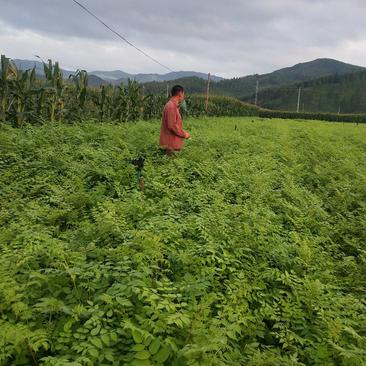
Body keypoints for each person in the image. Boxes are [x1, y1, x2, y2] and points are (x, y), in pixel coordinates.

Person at [159, 85, 190, 155]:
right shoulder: (171, 106)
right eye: (183, 94)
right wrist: (184, 134)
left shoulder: (173, 105)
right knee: (170, 164)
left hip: (172, 145)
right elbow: (172, 126)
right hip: (171, 145)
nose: (183, 96)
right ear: (180, 93)